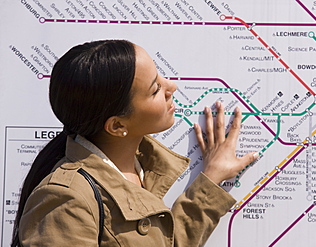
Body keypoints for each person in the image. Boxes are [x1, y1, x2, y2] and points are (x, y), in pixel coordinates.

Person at [11, 39, 258, 246]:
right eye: (155, 89)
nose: (172, 86)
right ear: (118, 126)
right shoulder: (66, 199)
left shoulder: (140, 168)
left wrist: (211, 179)